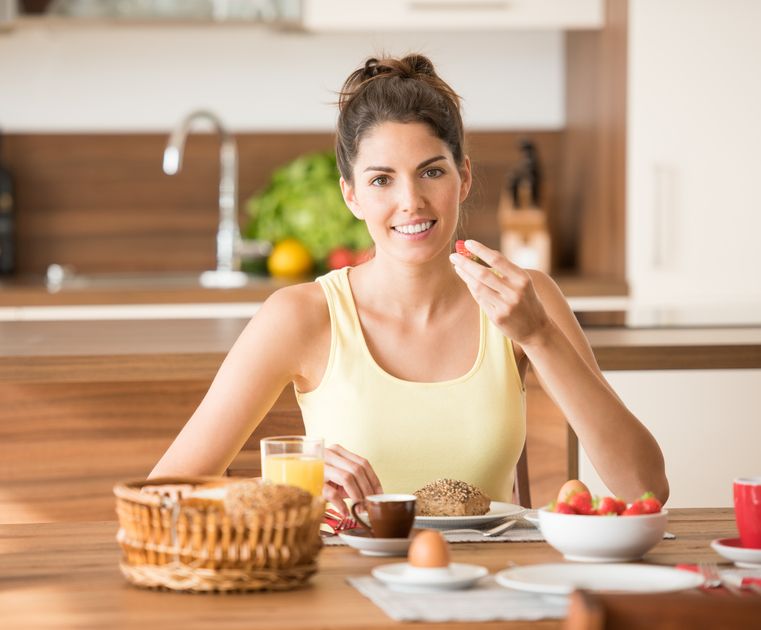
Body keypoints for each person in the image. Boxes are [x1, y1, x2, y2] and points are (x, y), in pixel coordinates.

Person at [149, 54, 669, 513]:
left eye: (431, 172)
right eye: (381, 179)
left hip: (488, 600)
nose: (411, 202)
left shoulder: (521, 297)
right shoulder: (302, 315)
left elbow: (645, 485)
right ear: (351, 195)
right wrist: (289, 484)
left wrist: (539, 335)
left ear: (463, 177)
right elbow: (161, 492)